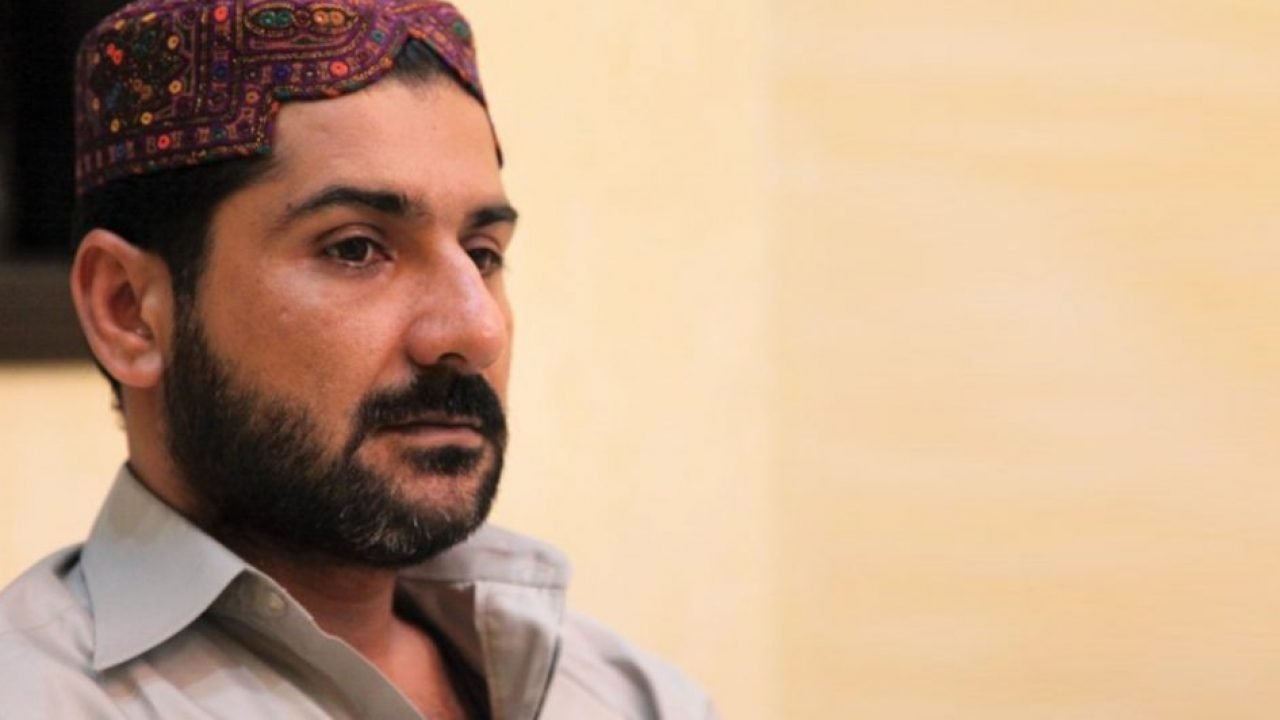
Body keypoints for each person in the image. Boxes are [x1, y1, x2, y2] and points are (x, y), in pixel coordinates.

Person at [0, 1, 717, 718]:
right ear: (129, 310)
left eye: (482, 254)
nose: (476, 330)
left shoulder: (634, 698)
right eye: (356, 249)